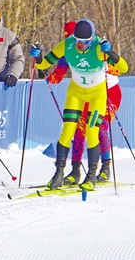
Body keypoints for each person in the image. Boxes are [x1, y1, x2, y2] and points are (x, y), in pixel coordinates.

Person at [31, 18, 128, 191]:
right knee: (67, 131)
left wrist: (111, 53)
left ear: (91, 40)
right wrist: (37, 56)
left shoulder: (98, 47)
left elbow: (124, 67)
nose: (79, 44)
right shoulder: (67, 45)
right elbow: (44, 63)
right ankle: (59, 173)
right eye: (76, 40)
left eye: (83, 41)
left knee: (92, 131)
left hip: (97, 94)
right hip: (76, 92)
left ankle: (92, 175)